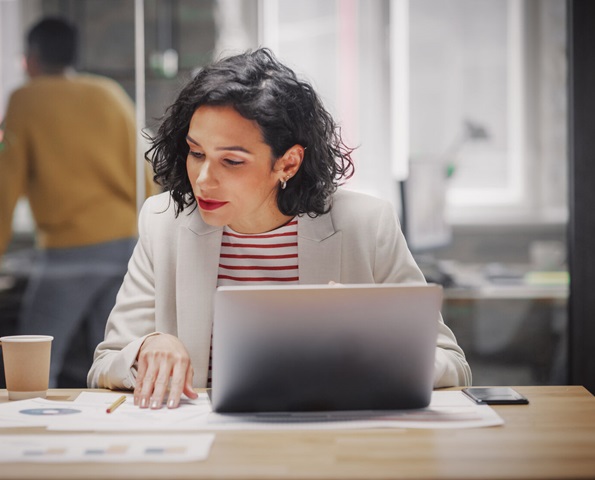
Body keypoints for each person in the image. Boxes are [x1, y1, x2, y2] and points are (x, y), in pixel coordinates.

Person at [88, 48, 472, 409]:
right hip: (203, 445)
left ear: (287, 164)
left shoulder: (367, 225)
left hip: (329, 441)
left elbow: (451, 363)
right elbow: (105, 363)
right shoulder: (163, 222)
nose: (203, 179)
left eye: (232, 162)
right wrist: (147, 347)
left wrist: (378, 342)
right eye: (197, 152)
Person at [0, 17, 151, 387]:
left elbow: (6, 183)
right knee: (111, 356)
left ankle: (25, 438)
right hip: (122, 244)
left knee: (31, 363)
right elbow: (144, 168)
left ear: (31, 59)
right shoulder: (108, 92)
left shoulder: (26, 99)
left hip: (68, 252)